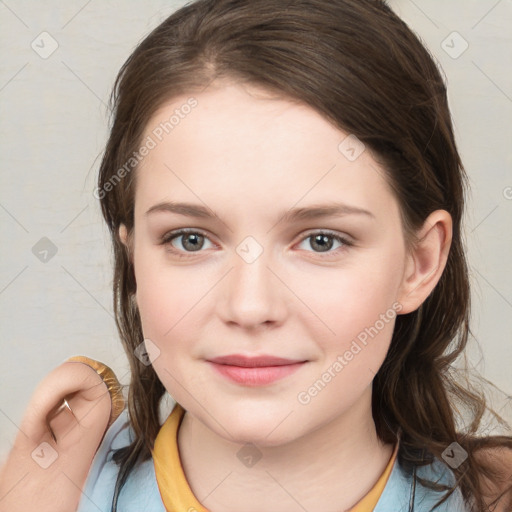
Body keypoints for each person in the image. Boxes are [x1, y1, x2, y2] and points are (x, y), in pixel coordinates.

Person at [0, 0, 511, 511]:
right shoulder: (46, 493)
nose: (249, 307)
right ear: (133, 258)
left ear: (418, 264)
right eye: (191, 239)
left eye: (321, 241)